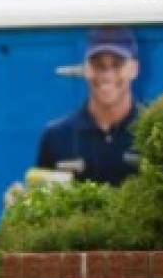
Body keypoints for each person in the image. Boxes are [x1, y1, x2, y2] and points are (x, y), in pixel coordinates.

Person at [35, 26, 142, 185]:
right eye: (98, 65)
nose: (107, 75)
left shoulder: (156, 135)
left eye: (117, 64)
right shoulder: (56, 136)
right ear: (86, 69)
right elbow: (41, 201)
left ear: (134, 69)